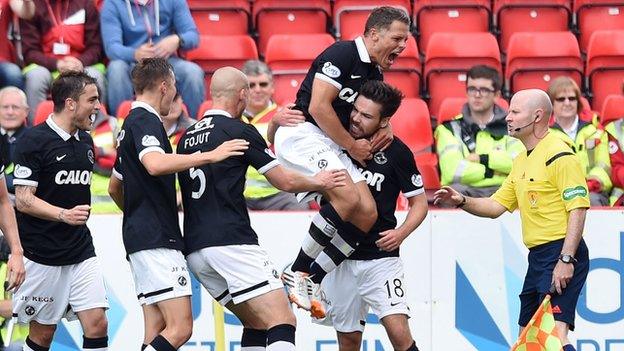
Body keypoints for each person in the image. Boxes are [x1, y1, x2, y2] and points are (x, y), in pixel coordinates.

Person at [177, 66, 346, 351]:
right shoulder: (238, 131)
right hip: (232, 242)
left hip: (194, 248)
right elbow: (284, 180)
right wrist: (318, 181)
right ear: (242, 95)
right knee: (283, 319)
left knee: (256, 324)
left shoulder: (186, 137)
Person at [272, 6, 410, 317]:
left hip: (332, 144)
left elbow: (376, 114)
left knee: (367, 213)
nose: (402, 47)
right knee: (347, 196)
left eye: (406, 41)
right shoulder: (342, 54)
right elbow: (319, 108)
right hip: (304, 134)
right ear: (374, 34)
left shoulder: (374, 73)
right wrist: (353, 146)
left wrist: (385, 125)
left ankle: (311, 279)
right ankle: (296, 271)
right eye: (397, 38)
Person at [107, 58, 248, 351]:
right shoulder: (145, 120)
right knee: (180, 327)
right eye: (173, 87)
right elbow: (155, 164)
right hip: (157, 238)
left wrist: (137, 214)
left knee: (155, 329)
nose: (174, 95)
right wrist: (211, 155)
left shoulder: (128, 125)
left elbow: (114, 186)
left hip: (140, 236)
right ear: (164, 85)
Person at [434, 89, 590, 351]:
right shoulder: (521, 160)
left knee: (554, 336)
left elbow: (578, 208)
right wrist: (461, 200)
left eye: (515, 112)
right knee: (529, 341)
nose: (508, 117)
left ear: (537, 116)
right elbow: (496, 206)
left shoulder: (560, 154)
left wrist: (566, 259)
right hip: (539, 257)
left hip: (561, 253)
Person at [310, 81, 427, 351]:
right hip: (338, 259)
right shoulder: (334, 140)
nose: (356, 118)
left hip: (380, 259)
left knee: (399, 333)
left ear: (384, 120)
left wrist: (401, 233)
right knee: (348, 341)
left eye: (366, 116)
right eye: (356, 110)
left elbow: (419, 203)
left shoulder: (398, 152)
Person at [12, 71, 109, 351]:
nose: (97, 107)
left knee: (97, 323)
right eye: (91, 100)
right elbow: (24, 199)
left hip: (80, 249)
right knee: (43, 335)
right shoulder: (34, 140)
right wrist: (63, 215)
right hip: (42, 253)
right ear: (70, 103)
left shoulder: (86, 142)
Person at [101, 0, 205, 119]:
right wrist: (135, 53)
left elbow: (193, 36)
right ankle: (121, 127)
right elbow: (112, 47)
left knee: (193, 72)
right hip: (131, 63)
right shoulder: (113, 3)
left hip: (165, 61)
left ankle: (192, 128)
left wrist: (177, 40)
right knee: (116, 69)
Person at [434, 65, 524, 197]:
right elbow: (452, 173)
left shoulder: (514, 126)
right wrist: (493, 171)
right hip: (464, 194)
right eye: (472, 89)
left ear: (497, 95)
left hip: (506, 193)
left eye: (484, 90)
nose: (477, 95)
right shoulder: (449, 129)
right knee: (451, 193)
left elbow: (521, 166)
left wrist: (483, 159)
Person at [20, 0, 105, 123]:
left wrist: (79, 62)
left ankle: (95, 131)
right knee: (35, 77)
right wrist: (57, 64)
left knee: (95, 76)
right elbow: (30, 51)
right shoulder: (34, 5)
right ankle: (38, 132)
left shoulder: (86, 3)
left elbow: (96, 46)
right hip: (48, 67)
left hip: (80, 66)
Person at [241, 60, 309, 211]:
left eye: (263, 84)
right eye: (251, 85)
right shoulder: (232, 118)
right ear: (243, 90)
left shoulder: (286, 115)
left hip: (280, 193)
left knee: (301, 209)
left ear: (272, 87)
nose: (258, 90)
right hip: (241, 195)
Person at [547, 77, 611, 206]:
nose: (567, 103)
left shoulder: (596, 131)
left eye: (572, 98)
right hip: (556, 192)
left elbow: (604, 165)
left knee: (590, 200)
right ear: (551, 103)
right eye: (561, 99)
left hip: (592, 191)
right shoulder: (543, 134)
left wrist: (589, 185)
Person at [0, 86, 29, 204]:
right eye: (5, 107)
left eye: (15, 107)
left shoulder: (36, 140)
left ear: (26, 111)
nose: (10, 112)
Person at [0, 236, 28, 351]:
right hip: (6, 339)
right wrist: (33, 303)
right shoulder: (3, 269)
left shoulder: (35, 271)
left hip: (27, 340)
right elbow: (2, 308)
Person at [0, 0, 35, 89]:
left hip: (3, 62)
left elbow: (27, 14)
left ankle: (15, 102)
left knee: (13, 74)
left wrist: (27, 2)